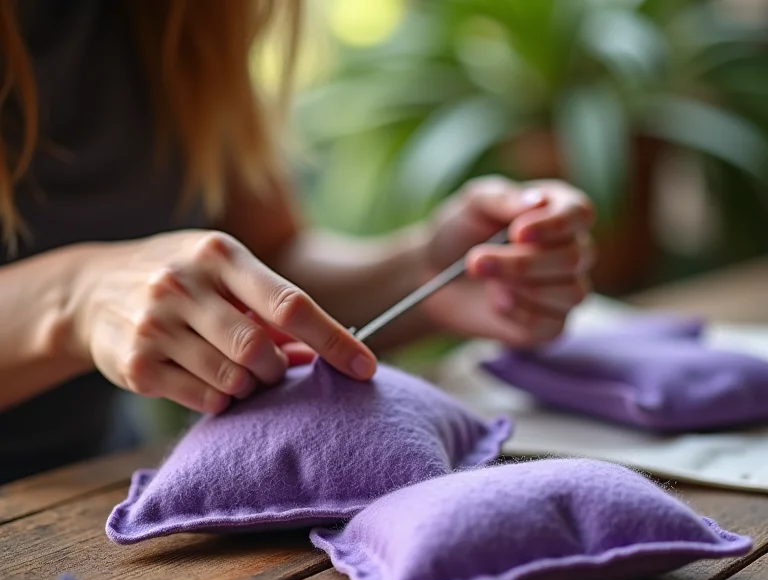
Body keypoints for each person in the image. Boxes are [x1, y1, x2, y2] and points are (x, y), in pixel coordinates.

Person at [0, 0, 596, 484]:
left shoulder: (179, 17)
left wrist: (424, 272)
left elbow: (271, 258)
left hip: (91, 480)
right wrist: (71, 296)